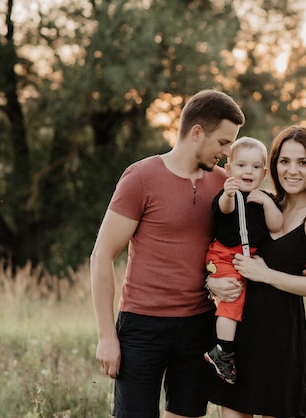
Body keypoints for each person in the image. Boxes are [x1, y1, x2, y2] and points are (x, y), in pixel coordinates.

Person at [90, 89, 245, 418]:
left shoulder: (222, 184)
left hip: (198, 325)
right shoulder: (141, 177)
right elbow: (102, 255)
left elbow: (244, 239)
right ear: (197, 132)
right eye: (223, 142)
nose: (228, 152)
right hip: (142, 326)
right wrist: (106, 336)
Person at [207, 125, 306, 418]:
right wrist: (212, 282)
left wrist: (266, 274)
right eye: (285, 161)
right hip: (238, 334)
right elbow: (221, 248)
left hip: (279, 336)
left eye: (303, 162)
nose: (292, 171)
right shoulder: (264, 201)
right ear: (274, 166)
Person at [204, 136, 283, 384]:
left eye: (256, 167)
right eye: (241, 166)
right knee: (233, 297)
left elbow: (277, 226)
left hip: (245, 257)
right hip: (225, 255)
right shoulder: (229, 196)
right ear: (228, 170)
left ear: (264, 172)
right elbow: (225, 209)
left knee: (244, 301)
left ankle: (228, 346)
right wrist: (229, 193)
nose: (248, 171)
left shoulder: (265, 198)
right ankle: (222, 350)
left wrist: (268, 203)